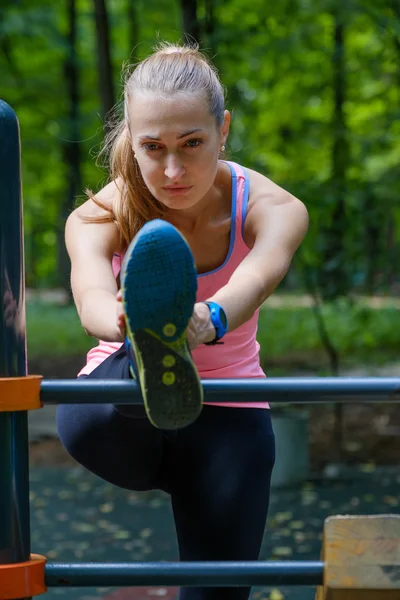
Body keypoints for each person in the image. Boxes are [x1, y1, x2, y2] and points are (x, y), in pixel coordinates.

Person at [57, 42, 309, 600]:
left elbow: (258, 277)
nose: (173, 170)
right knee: (122, 387)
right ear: (132, 141)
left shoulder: (272, 206)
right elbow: (90, 295)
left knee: (217, 592)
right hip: (116, 418)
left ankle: (158, 356)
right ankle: (144, 363)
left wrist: (208, 318)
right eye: (153, 147)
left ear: (223, 128)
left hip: (227, 415)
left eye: (192, 143)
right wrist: (126, 324)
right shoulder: (100, 212)